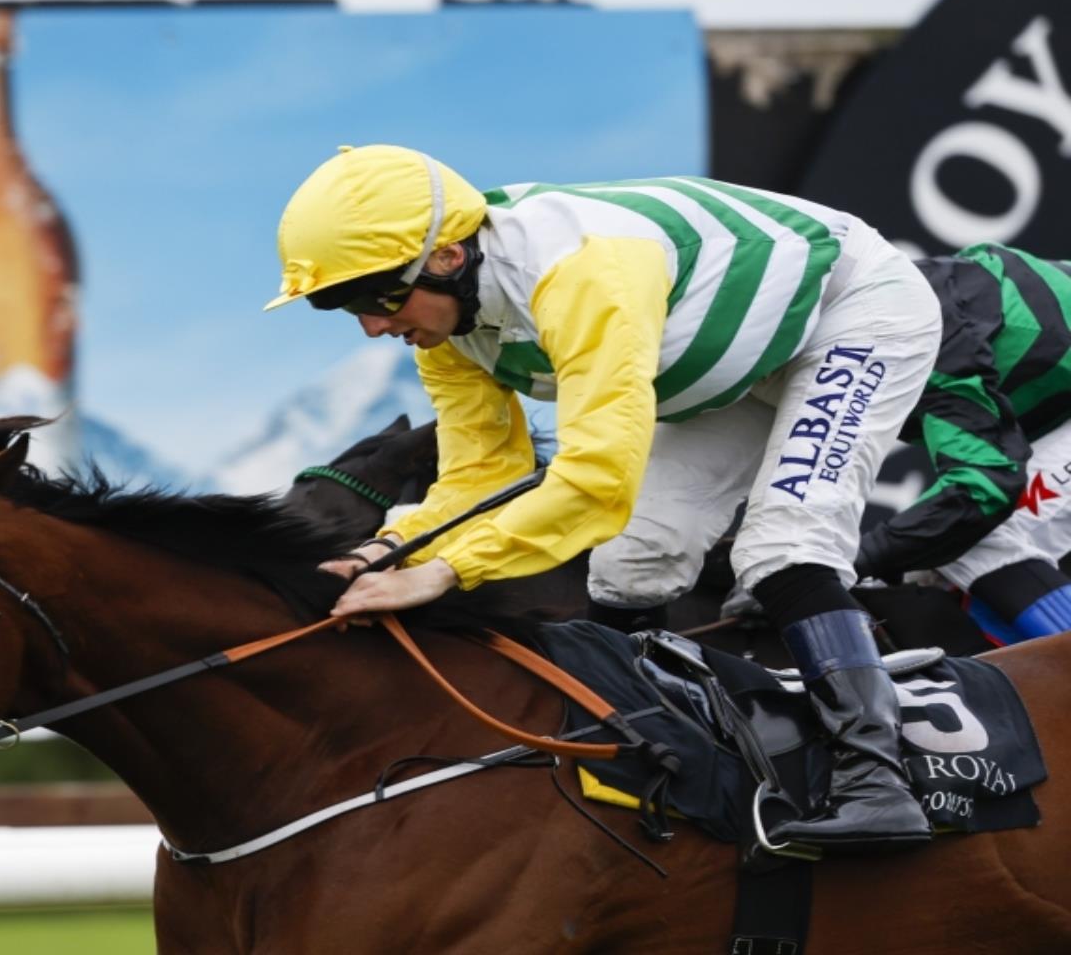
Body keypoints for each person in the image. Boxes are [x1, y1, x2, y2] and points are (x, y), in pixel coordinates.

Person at [267, 145, 941, 851]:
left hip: (852, 313)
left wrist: (445, 571)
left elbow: (597, 479)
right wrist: (386, 550)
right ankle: (659, 766)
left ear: (445, 257)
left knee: (783, 548)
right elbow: (479, 478)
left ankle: (878, 783)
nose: (372, 326)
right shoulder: (445, 333)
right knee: (630, 565)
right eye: (340, 305)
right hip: (731, 370)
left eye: (376, 297)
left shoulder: (582, 271)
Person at [853, 243, 1071, 643]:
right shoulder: (883, 311)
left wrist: (848, 562)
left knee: (975, 539)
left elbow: (982, 490)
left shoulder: (918, 329)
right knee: (931, 565)